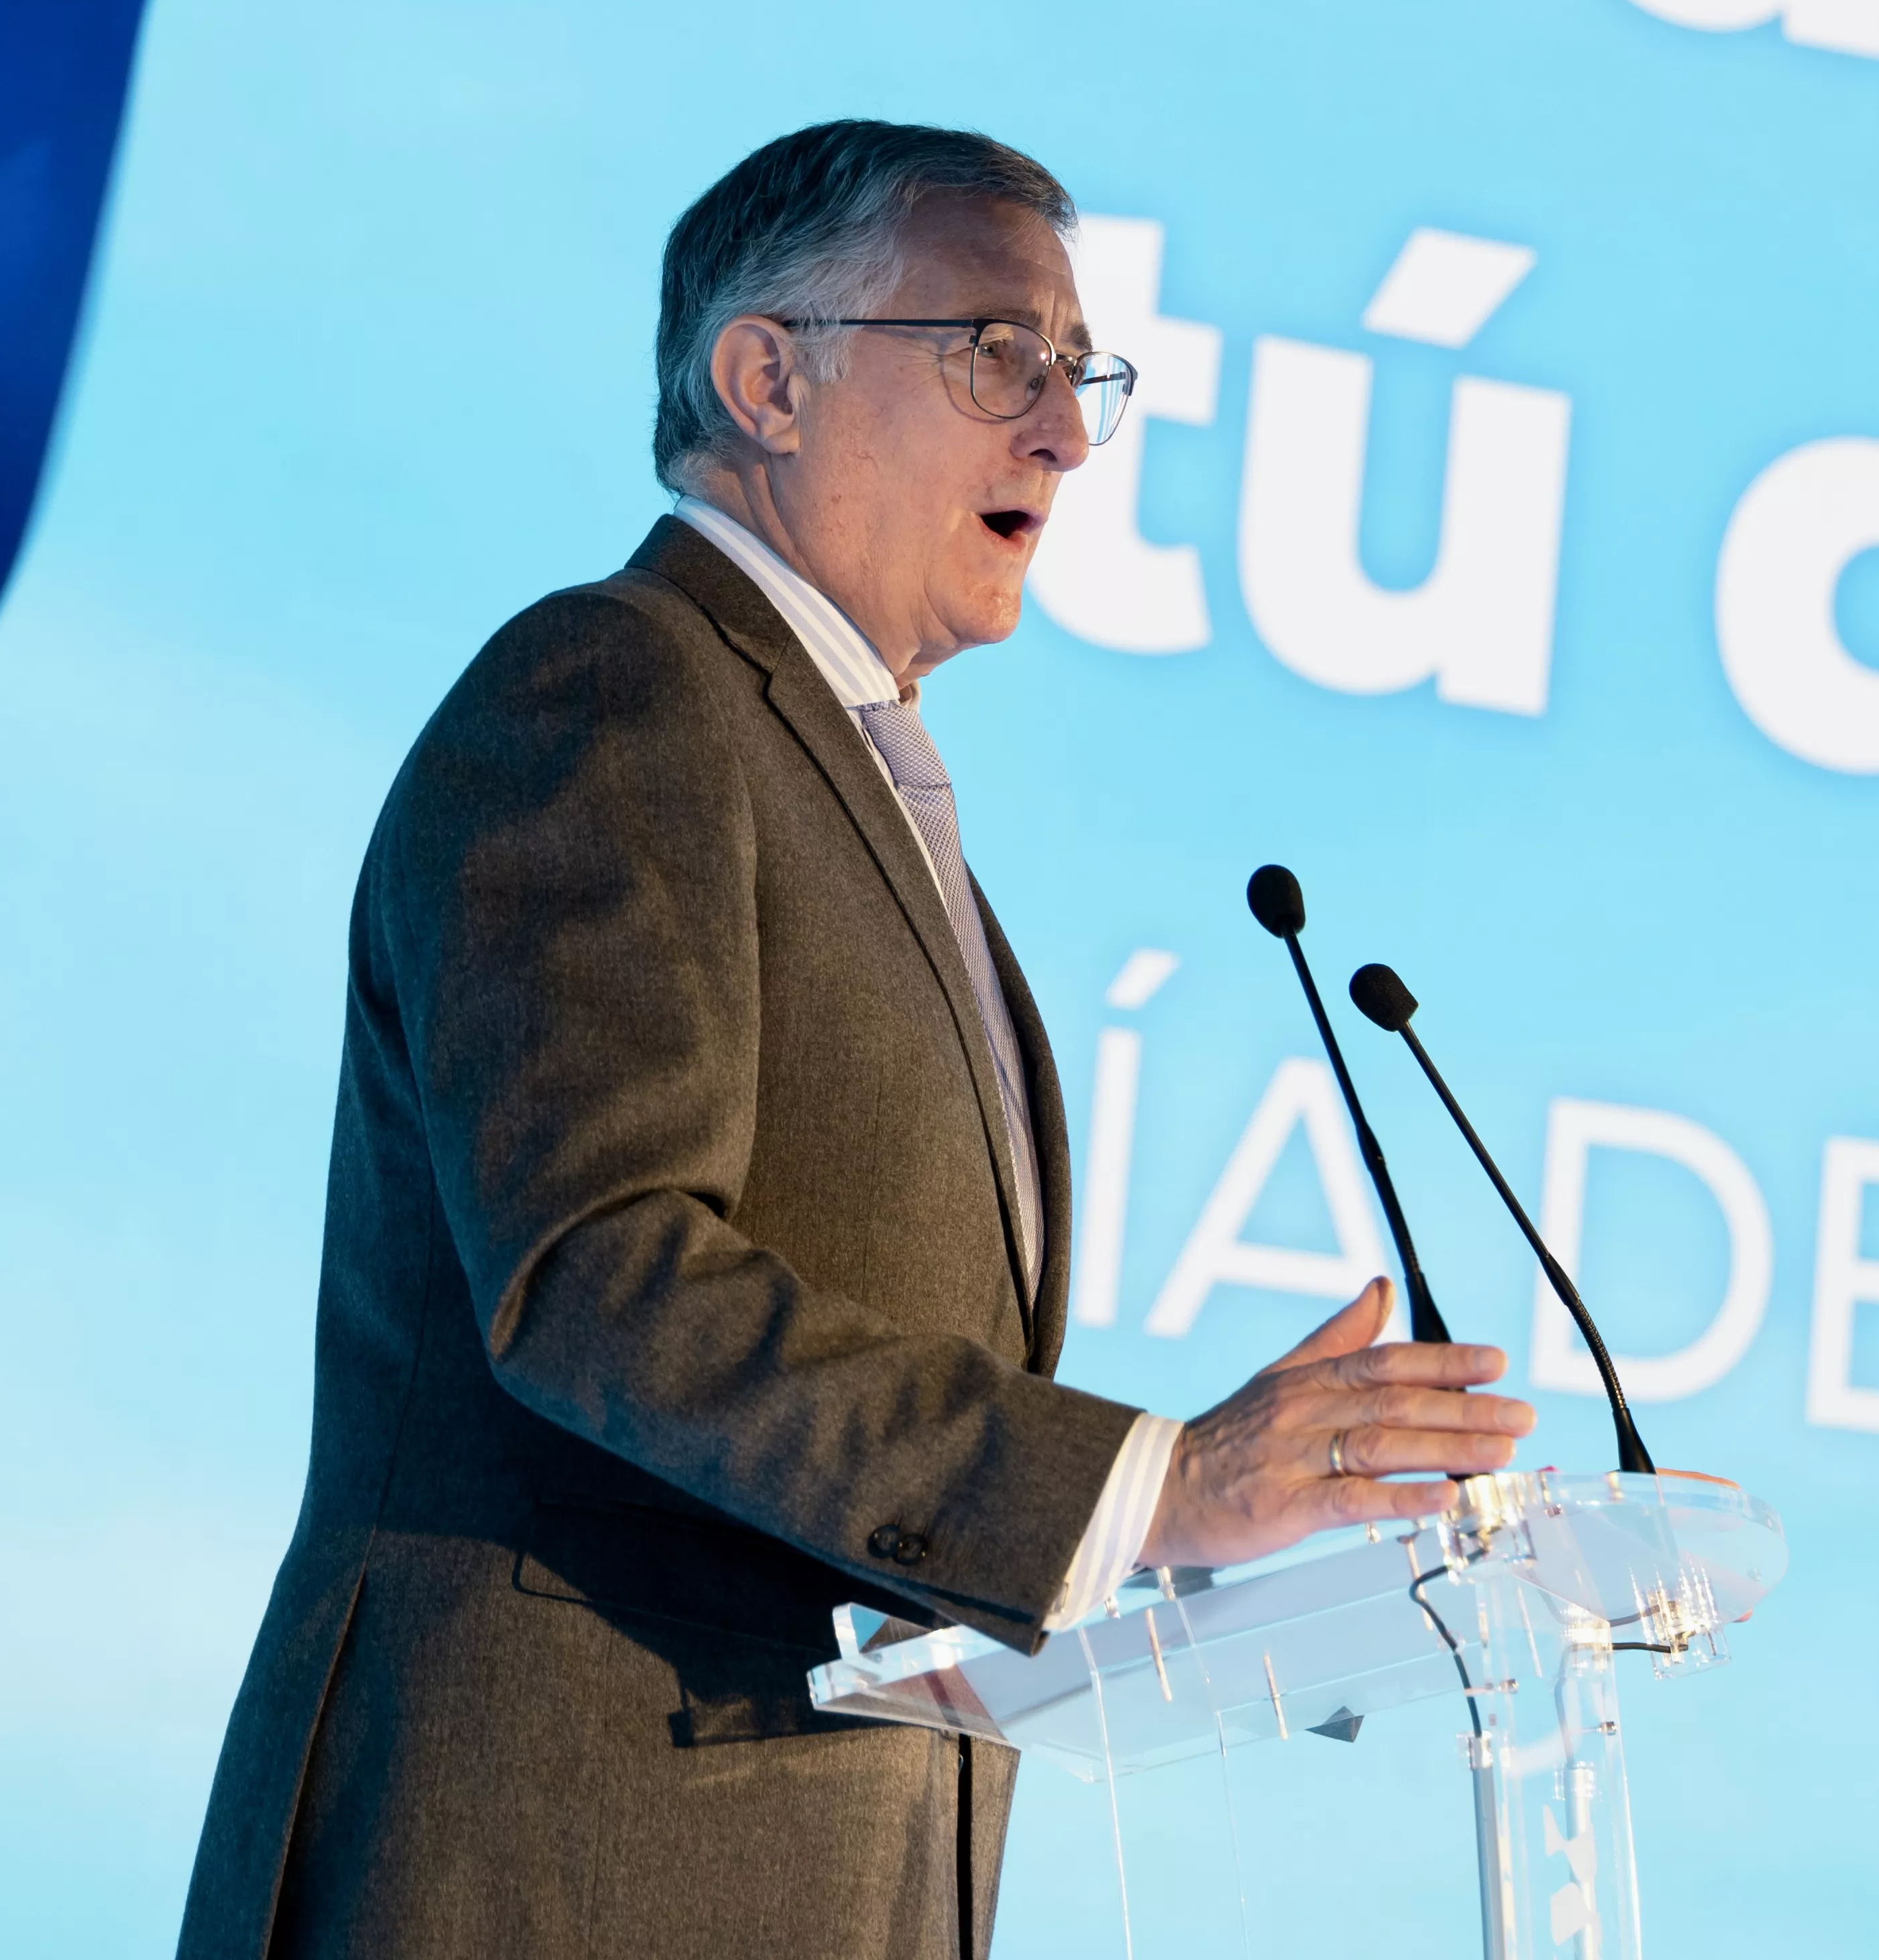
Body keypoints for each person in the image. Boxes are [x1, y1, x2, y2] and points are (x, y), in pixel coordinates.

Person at [176, 120, 1536, 1959]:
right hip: (553, 1873)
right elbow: (598, 1272)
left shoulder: (865, 792)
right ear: (769, 380)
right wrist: (1147, 1488)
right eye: (1000, 355)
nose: (1064, 436)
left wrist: (1127, 1556)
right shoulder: (615, 690)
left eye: (1079, 377)